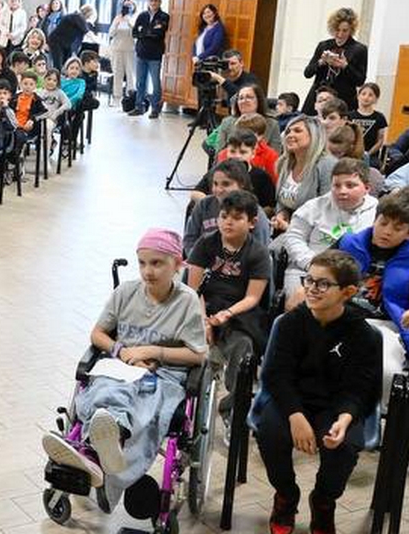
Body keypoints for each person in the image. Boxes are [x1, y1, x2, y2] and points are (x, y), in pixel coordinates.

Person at [40, 229, 207, 503]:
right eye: (142, 263)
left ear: (177, 264)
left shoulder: (187, 300)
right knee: (107, 388)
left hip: (162, 374)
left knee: (142, 402)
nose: (148, 271)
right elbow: (98, 335)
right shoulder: (126, 292)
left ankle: (98, 452)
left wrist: (154, 351)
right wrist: (122, 350)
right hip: (121, 365)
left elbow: (198, 355)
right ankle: (106, 443)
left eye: (157, 263)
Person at [256, 249, 382, 534]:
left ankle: (324, 502)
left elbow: (362, 387)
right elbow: (276, 376)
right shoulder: (290, 323)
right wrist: (295, 415)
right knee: (270, 432)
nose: (311, 288)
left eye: (323, 284)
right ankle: (286, 495)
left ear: (348, 292)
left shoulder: (362, 333)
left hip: (335, 407)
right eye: (309, 280)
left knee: (346, 445)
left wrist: (345, 417)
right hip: (292, 400)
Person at [338, 188, 409, 355]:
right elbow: (320, 272)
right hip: (339, 316)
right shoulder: (348, 243)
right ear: (374, 220)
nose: (387, 231)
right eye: (383, 223)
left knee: (384, 370)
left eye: (397, 228)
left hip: (387, 325)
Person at [185, 191, 270, 383]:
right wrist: (203, 319)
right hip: (204, 304)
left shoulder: (258, 253)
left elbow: (252, 298)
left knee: (242, 344)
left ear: (252, 222)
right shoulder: (206, 243)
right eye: (224, 216)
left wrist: (227, 313)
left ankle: (233, 402)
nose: (228, 222)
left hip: (239, 310)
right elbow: (194, 289)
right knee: (190, 337)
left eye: (237, 218)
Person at [280, 157, 377, 303]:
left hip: (353, 276)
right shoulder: (314, 206)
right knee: (299, 304)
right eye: (336, 186)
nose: (342, 191)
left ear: (367, 188)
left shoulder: (378, 213)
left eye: (350, 185)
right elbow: (293, 237)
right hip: (306, 268)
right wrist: (311, 263)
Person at [301, 7, 368, 112]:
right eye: (337, 30)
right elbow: (307, 73)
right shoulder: (324, 45)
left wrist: (345, 66)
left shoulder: (359, 49)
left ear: (351, 30)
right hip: (319, 95)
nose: (340, 34)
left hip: (343, 99)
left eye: (345, 30)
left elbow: (360, 81)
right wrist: (321, 62)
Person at [274, 115, 334, 220]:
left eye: (297, 131)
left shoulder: (327, 164)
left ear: (314, 136)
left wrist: (292, 228)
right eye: (288, 132)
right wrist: (281, 214)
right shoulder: (284, 163)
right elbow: (281, 200)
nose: (289, 135)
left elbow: (328, 208)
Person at [129, 0, 171, 118]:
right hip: (141, 53)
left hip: (155, 55)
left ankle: (155, 109)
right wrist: (149, 32)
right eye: (151, 0)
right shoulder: (142, 15)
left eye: (156, 1)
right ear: (148, 2)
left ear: (160, 2)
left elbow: (158, 34)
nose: (153, 3)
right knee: (140, 82)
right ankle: (139, 107)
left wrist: (145, 32)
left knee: (155, 83)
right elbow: (135, 32)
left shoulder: (164, 16)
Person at [107, 0, 137, 106]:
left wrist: (129, 23)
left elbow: (136, 34)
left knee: (130, 74)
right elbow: (110, 33)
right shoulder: (117, 18)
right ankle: (117, 97)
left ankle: (131, 97)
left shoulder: (135, 18)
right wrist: (117, 23)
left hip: (130, 50)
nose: (127, 7)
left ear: (133, 6)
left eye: (130, 5)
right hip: (117, 49)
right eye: (125, 5)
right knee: (117, 73)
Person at [353, 83, 389, 154]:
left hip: (371, 155)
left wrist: (368, 154)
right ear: (358, 96)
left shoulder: (380, 117)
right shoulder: (350, 116)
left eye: (370, 95)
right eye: (363, 94)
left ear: (376, 99)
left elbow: (380, 141)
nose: (366, 97)